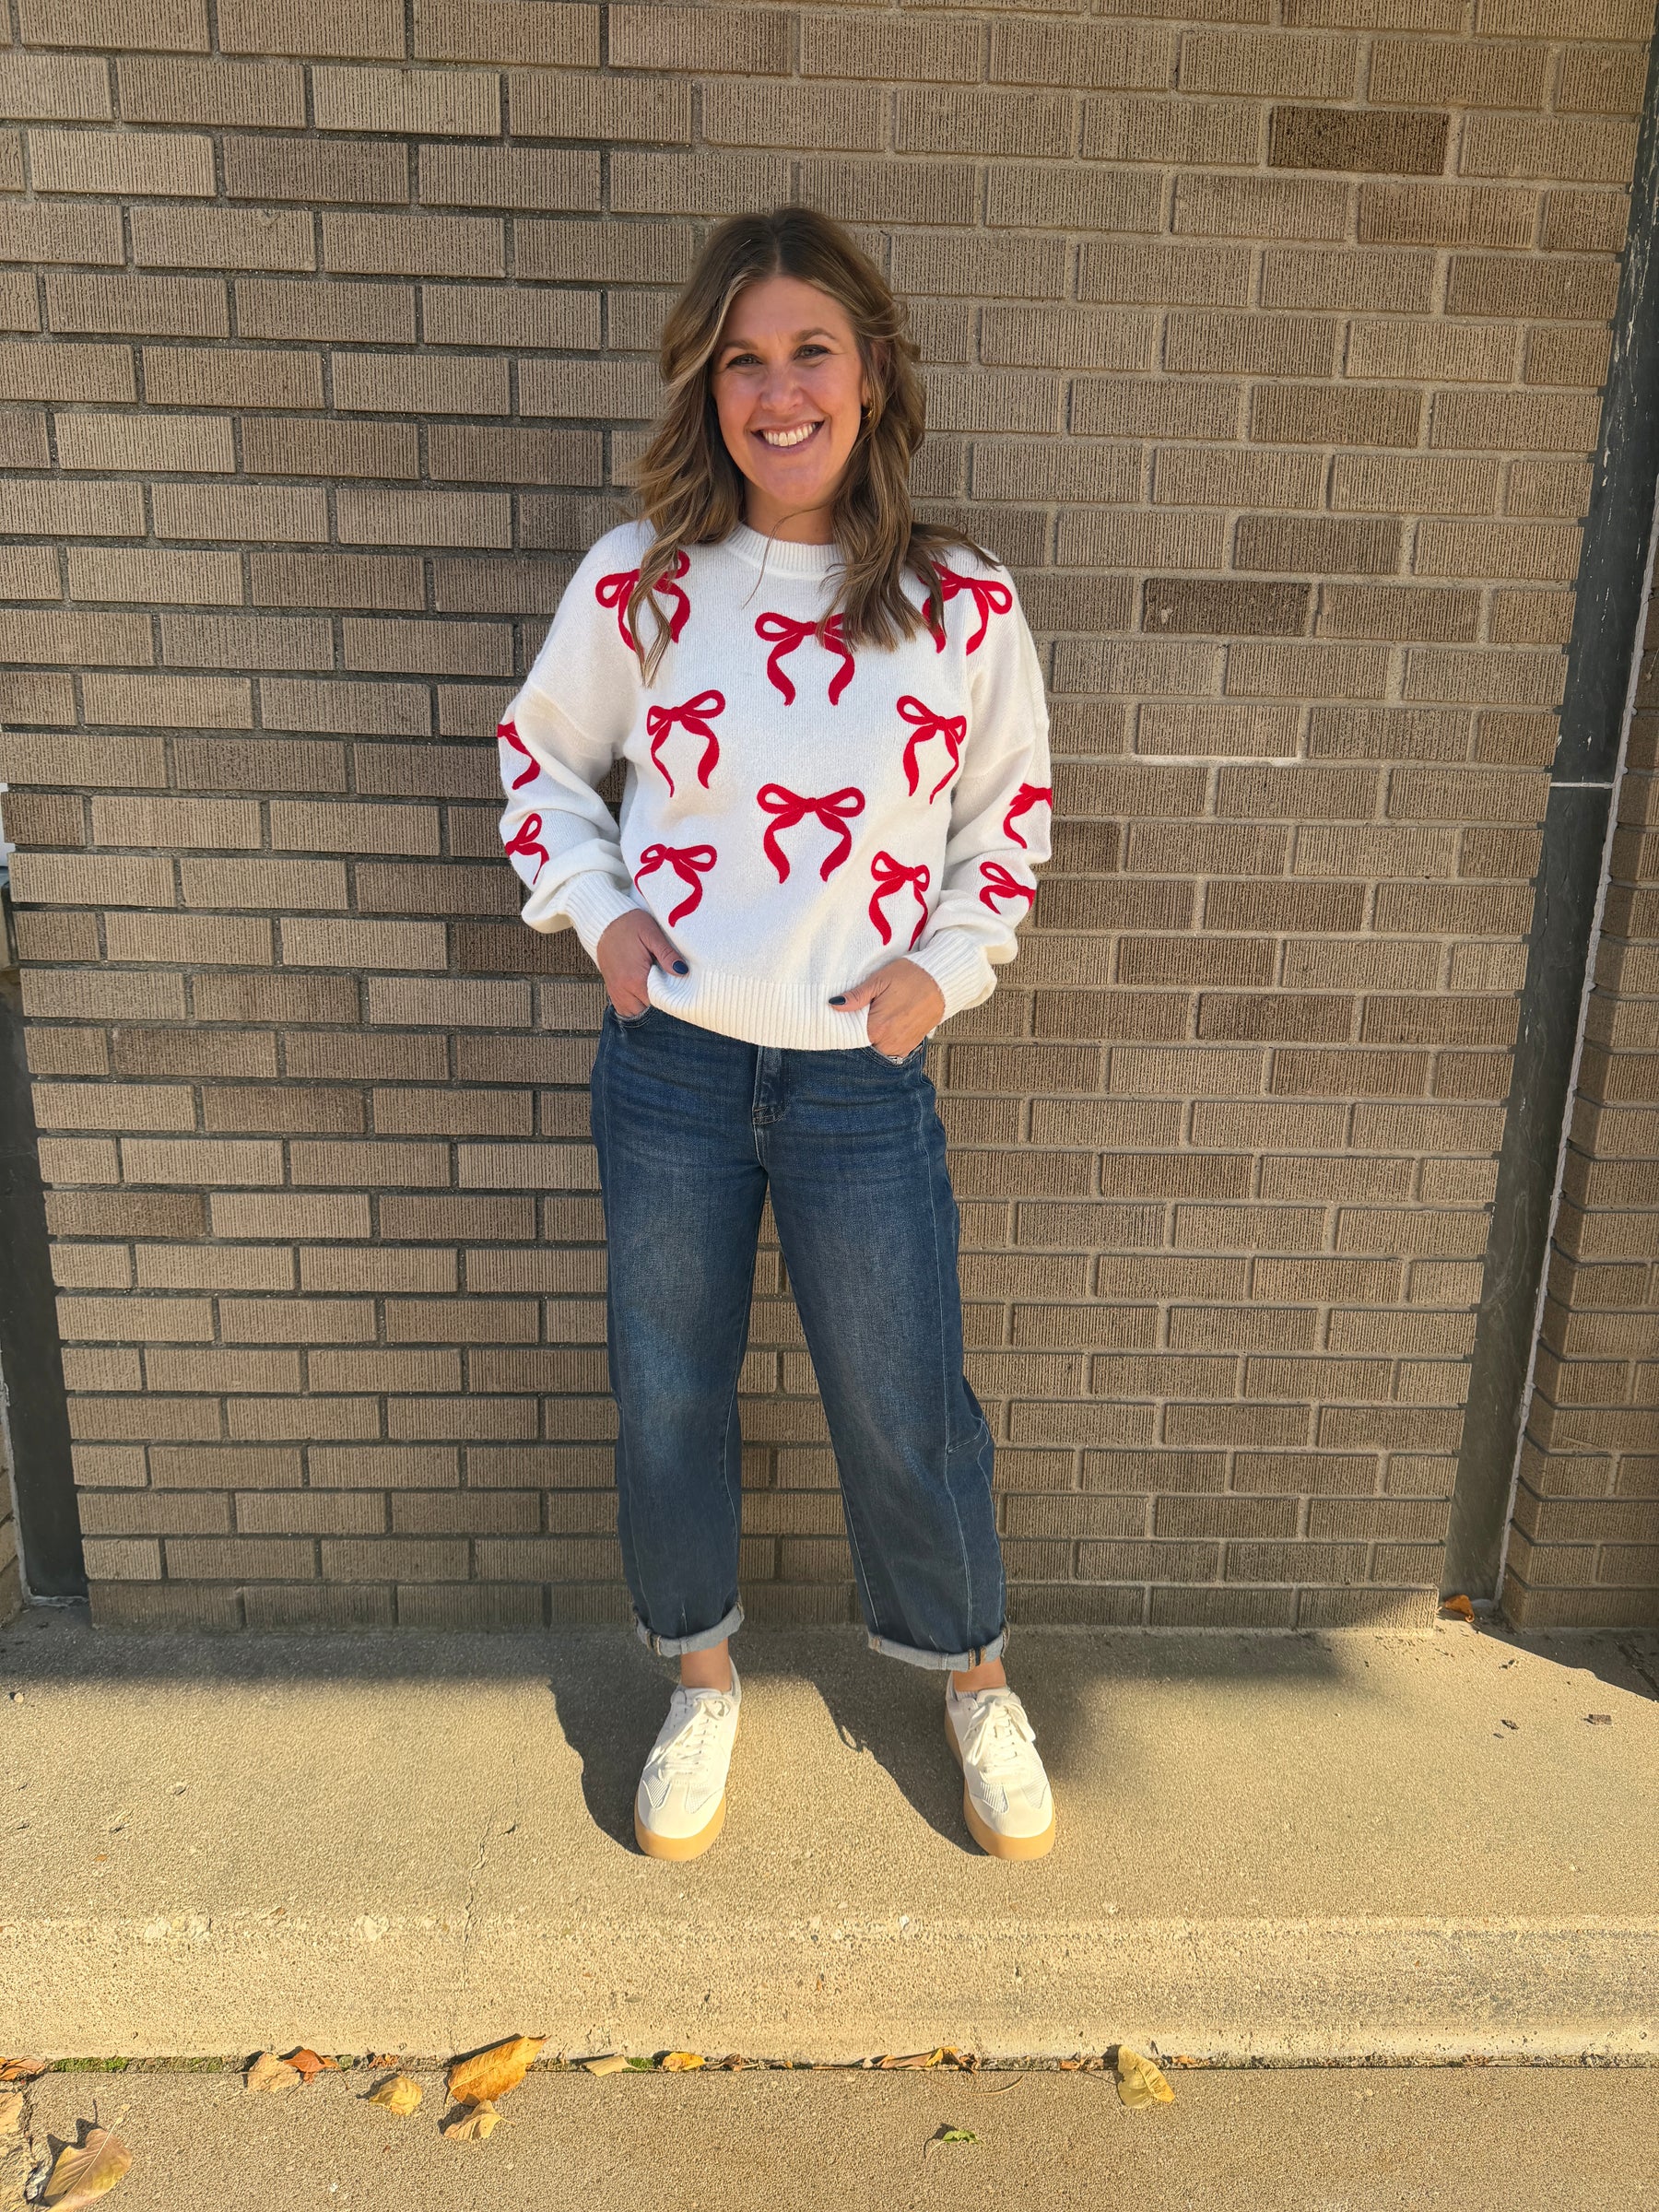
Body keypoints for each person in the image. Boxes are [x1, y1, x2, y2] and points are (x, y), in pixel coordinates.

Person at [497, 206, 1055, 1863]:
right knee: (668, 1391)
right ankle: (702, 1675)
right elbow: (542, 763)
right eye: (744, 358)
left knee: (904, 1401)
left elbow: (1006, 817)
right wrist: (601, 923)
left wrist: (942, 975)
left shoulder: (957, 602)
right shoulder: (647, 582)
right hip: (671, 1064)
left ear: (871, 373)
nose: (778, 389)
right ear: (708, 385)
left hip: (857, 1083)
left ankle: (972, 1678)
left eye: (811, 350)